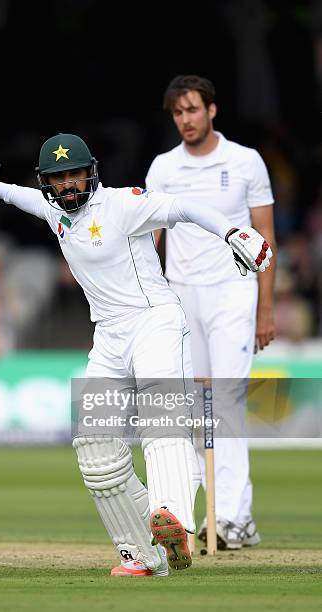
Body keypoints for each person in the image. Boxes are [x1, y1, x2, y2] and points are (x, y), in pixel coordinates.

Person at [0, 133, 272, 576]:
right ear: (48, 182)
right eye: (58, 179)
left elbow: (183, 207)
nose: (67, 186)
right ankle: (146, 553)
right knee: (95, 448)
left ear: (91, 172)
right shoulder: (53, 210)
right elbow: (18, 196)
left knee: (163, 419)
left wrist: (233, 231)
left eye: (74, 175)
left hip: (154, 320)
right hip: (107, 335)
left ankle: (173, 515)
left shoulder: (123, 204)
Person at [146, 75, 276, 550]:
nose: (186, 120)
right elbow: (150, 238)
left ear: (212, 110)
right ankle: (205, 515)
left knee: (225, 402)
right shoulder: (163, 168)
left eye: (193, 110)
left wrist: (266, 306)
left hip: (232, 291)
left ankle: (235, 518)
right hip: (181, 294)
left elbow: (265, 238)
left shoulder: (244, 161)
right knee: (195, 411)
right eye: (178, 113)